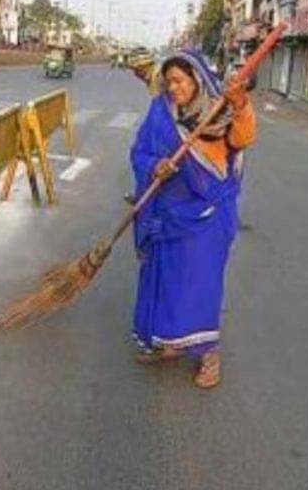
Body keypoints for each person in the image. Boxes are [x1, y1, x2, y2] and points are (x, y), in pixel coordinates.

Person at [129, 50, 255, 389]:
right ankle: (169, 342)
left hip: (206, 218)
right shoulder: (160, 111)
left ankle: (209, 356)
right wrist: (155, 165)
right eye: (168, 82)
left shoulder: (220, 111)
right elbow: (139, 151)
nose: (173, 88)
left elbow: (243, 138)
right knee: (164, 283)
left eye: (179, 81)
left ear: (196, 79)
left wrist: (241, 104)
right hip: (167, 215)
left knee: (198, 288)